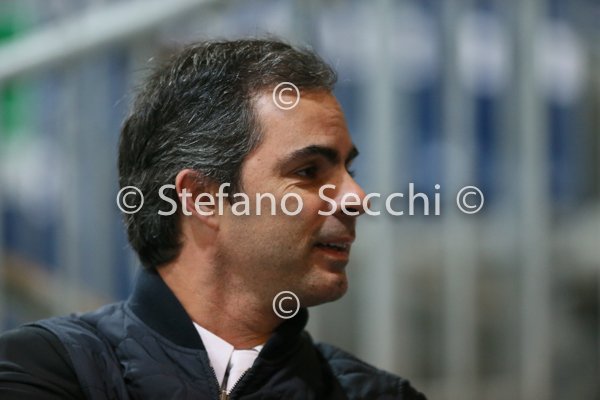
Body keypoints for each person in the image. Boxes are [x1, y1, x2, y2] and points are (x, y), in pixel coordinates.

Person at [0, 38, 427, 400]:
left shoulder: (381, 395)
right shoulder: (40, 372)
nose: (357, 199)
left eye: (349, 171)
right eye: (309, 171)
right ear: (203, 199)